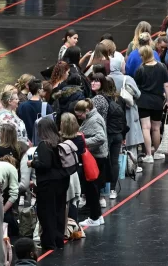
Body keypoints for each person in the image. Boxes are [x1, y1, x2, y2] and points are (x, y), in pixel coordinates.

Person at [29, 117, 69, 251]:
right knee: (59, 211)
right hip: (62, 181)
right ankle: (58, 240)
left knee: (46, 213)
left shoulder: (44, 145)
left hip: (47, 184)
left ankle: (49, 242)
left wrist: (32, 163)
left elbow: (45, 164)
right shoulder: (61, 142)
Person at [132, 45, 168, 162]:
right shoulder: (162, 67)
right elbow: (166, 86)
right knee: (156, 128)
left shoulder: (140, 69)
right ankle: (158, 152)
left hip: (143, 101)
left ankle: (148, 155)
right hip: (158, 101)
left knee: (145, 127)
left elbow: (136, 87)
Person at [73, 99, 108, 227]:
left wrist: (83, 143)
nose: (79, 117)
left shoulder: (94, 120)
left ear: (86, 110)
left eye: (80, 114)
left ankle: (94, 217)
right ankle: (97, 215)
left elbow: (100, 137)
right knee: (93, 189)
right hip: (96, 156)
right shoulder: (94, 117)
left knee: (92, 188)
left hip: (95, 157)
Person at [16, 79, 45, 143]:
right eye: (42, 88)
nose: (43, 90)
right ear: (39, 90)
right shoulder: (45, 106)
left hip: (25, 140)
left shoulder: (22, 106)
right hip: (40, 141)